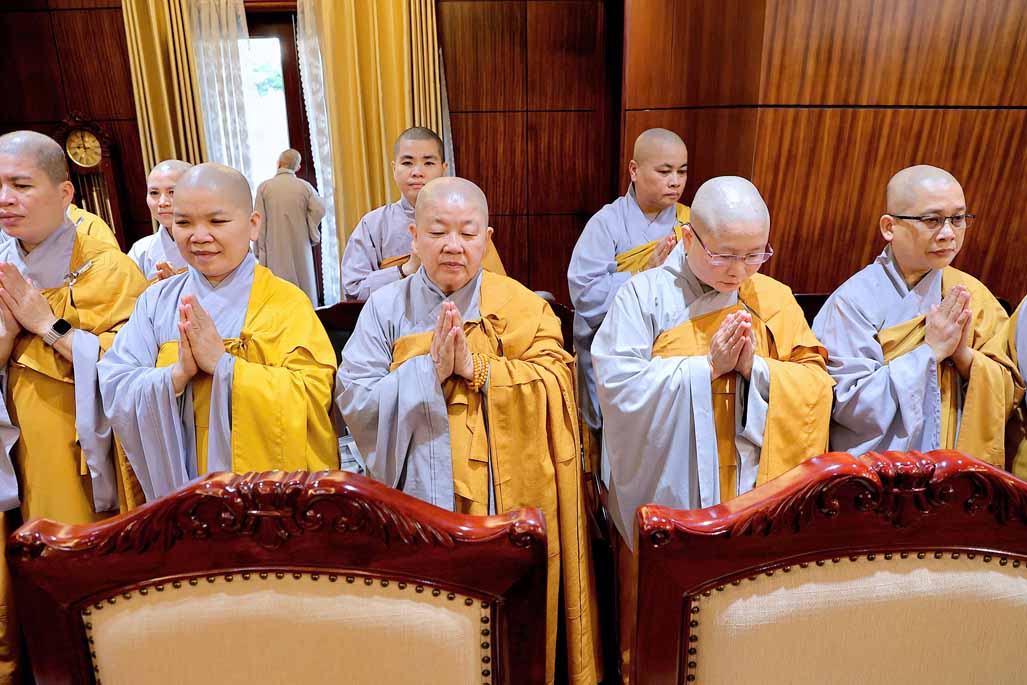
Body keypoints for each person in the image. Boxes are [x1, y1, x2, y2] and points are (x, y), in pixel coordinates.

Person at [335, 176, 599, 685]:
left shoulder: (524, 306)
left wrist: (478, 370)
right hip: (418, 497)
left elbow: (557, 382)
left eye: (467, 232)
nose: (453, 245)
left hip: (509, 497)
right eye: (438, 232)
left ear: (487, 238)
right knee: (430, 626)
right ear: (414, 237)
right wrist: (428, 372)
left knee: (508, 622)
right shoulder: (384, 309)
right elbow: (355, 398)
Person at [592, 176, 833, 683]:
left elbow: (816, 384)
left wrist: (755, 371)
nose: (739, 270)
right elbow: (617, 386)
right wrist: (706, 368)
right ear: (688, 237)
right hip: (669, 487)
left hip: (754, 486)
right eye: (724, 255)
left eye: (754, 255)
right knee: (664, 623)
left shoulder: (773, 298)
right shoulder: (642, 296)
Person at [98, 163, 338, 503]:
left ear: (253, 225)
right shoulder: (155, 302)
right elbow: (116, 382)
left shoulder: (287, 303)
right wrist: (175, 376)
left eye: (217, 221)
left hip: (260, 495)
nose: (199, 236)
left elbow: (313, 397)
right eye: (184, 223)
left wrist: (224, 366)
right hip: (180, 481)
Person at [0, 130, 148, 681]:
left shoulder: (109, 272)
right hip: (7, 449)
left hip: (78, 453)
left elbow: (137, 370)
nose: (6, 199)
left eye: (21, 185)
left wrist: (48, 326)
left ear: (65, 193)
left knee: (71, 571)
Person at [813, 165, 1020, 466]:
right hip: (879, 476)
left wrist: (963, 357)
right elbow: (849, 406)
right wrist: (929, 354)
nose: (948, 234)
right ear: (889, 227)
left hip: (955, 475)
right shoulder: (852, 302)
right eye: (932, 220)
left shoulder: (972, 294)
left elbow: (1009, 391)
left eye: (958, 219)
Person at [567, 127, 690, 437]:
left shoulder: (691, 223)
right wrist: (641, 275)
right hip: (614, 354)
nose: (675, 181)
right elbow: (586, 294)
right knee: (616, 441)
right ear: (634, 171)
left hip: (672, 356)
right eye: (664, 171)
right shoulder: (606, 224)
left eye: (682, 171)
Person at [341, 127, 505, 301]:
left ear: (443, 169)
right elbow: (354, 290)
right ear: (394, 168)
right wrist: (406, 269)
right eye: (407, 163)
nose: (417, 172)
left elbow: (497, 289)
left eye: (428, 163)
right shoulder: (373, 224)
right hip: (396, 317)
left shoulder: (468, 219)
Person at [253, 149, 326, 304]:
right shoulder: (305, 187)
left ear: (278, 163)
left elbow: (259, 223)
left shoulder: (264, 188)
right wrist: (309, 227)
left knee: (279, 299)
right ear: (297, 167)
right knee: (303, 294)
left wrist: (260, 252)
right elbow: (320, 209)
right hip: (301, 248)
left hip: (274, 251)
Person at [127, 159, 193, 281]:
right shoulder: (141, 250)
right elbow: (130, 291)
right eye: (154, 193)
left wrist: (176, 286)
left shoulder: (213, 243)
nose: (162, 202)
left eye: (172, 192)